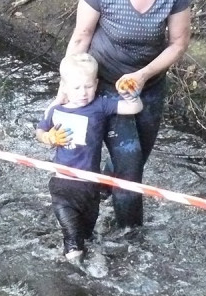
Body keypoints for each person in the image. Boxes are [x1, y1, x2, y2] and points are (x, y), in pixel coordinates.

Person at [63, 0, 192, 229]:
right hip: (105, 81)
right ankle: (130, 238)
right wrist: (63, 94)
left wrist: (145, 75)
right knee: (132, 173)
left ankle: (103, 188)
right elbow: (81, 38)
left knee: (137, 158)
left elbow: (179, 42)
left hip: (148, 84)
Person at [36, 53, 143, 265]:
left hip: (90, 189)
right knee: (73, 240)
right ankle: (72, 270)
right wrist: (48, 137)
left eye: (88, 87)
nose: (83, 93)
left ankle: (83, 271)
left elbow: (135, 108)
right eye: (76, 88)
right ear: (64, 88)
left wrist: (131, 94)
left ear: (96, 84)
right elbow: (39, 131)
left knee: (87, 236)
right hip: (62, 186)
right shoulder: (55, 110)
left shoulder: (100, 106)